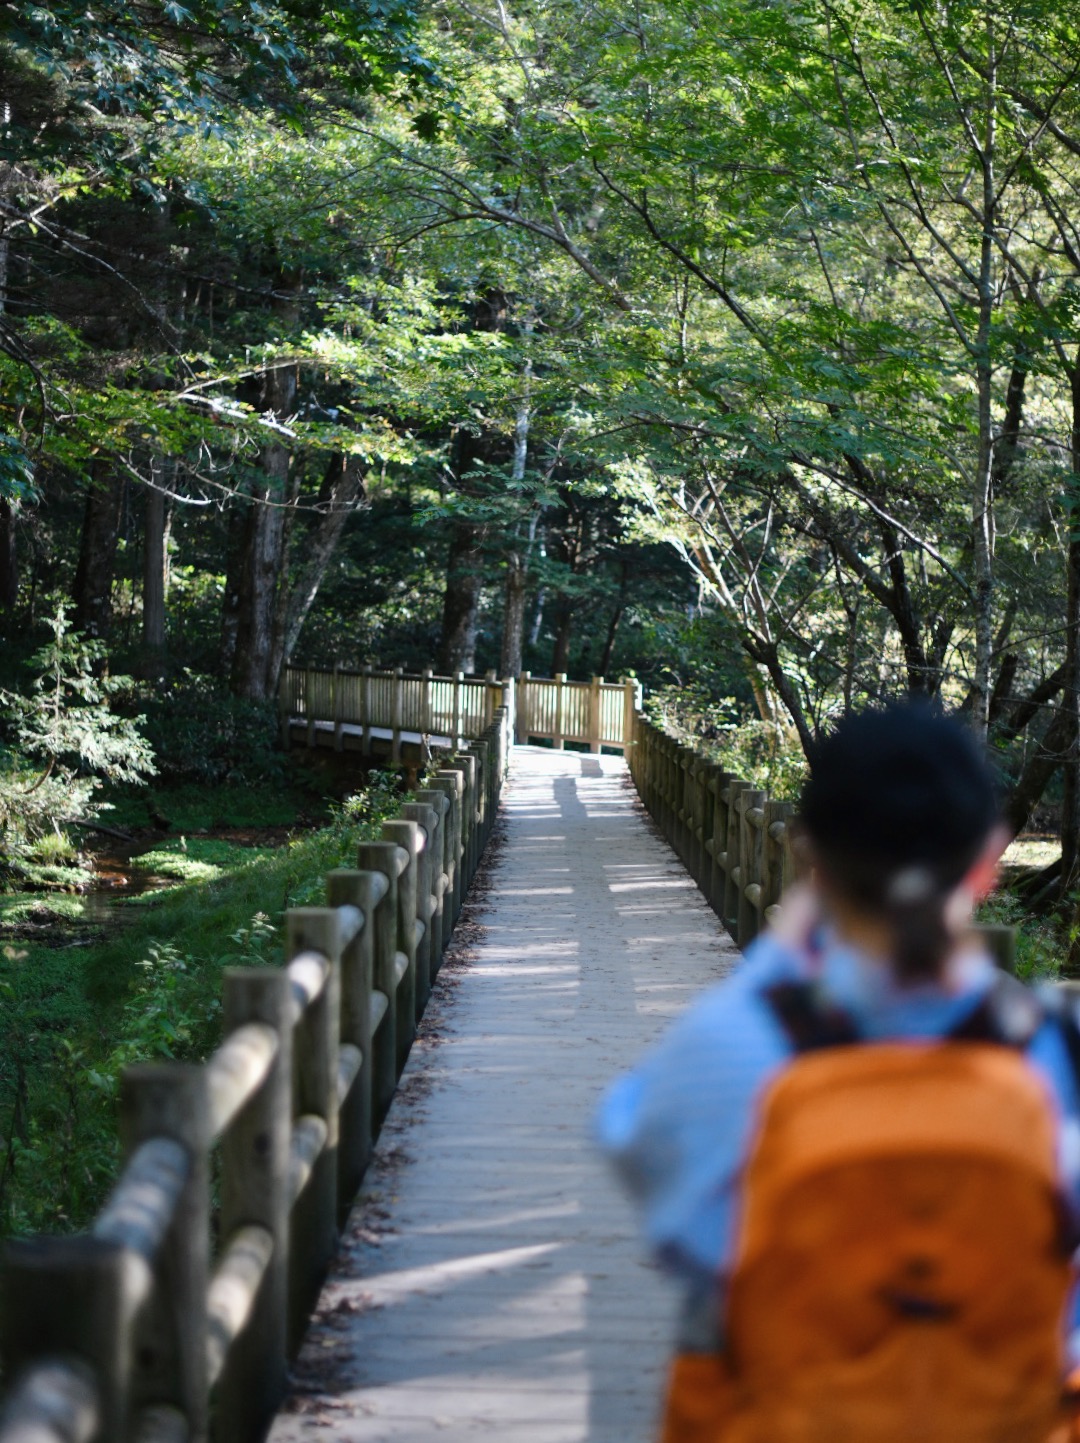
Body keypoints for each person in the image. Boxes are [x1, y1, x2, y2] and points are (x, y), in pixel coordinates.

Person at [597, 703, 1080, 1443]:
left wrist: (777, 969)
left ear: (810, 860)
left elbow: (640, 1153)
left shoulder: (739, 1042)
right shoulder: (1055, 1056)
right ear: (987, 863)